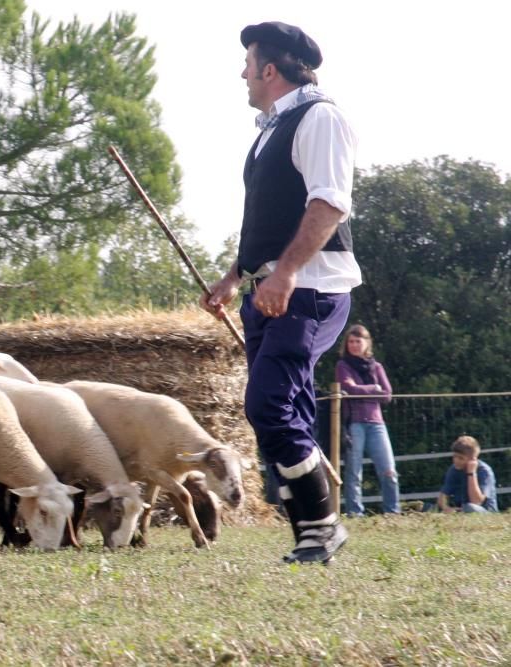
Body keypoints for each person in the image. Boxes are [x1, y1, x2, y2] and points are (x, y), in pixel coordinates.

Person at [200, 21, 360, 564]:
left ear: (269, 69)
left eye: (247, 63)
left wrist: (286, 273)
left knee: (267, 404)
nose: (241, 72)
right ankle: (313, 534)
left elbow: (329, 204)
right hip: (273, 288)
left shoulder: (320, 117)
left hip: (310, 288)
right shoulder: (271, 129)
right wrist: (235, 275)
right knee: (282, 410)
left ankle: (322, 528)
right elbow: (268, 220)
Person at [335, 324, 400, 516]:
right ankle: (355, 513)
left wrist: (362, 389)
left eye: (358, 341)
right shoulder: (342, 365)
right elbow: (349, 389)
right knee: (354, 472)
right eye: (351, 342)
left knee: (389, 471)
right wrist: (374, 389)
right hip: (354, 423)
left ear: (367, 343)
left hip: (377, 423)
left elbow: (387, 395)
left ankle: (393, 512)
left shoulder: (377, 367)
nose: (354, 345)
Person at [438, 435, 499, 513]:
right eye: (454, 456)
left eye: (461, 458)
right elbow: (443, 496)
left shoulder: (484, 471)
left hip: (485, 512)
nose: (456, 460)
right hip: (461, 510)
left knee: (470, 507)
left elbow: (476, 501)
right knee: (424, 507)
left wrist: (471, 473)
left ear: (473, 459)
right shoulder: (454, 469)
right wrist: (446, 508)